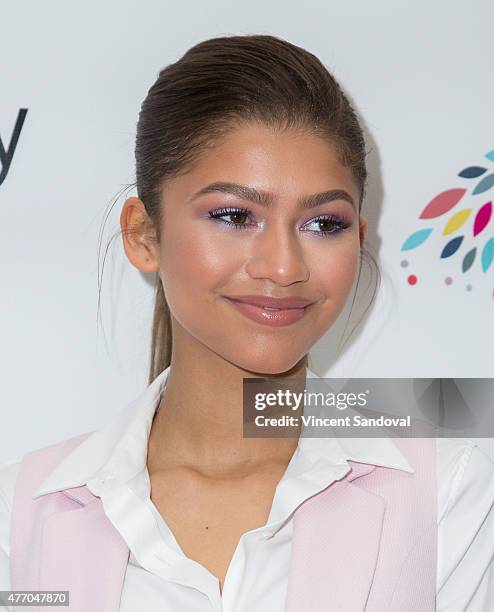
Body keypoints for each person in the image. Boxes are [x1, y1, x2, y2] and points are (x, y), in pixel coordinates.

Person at [1, 34, 494, 612]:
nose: (283, 266)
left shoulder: (446, 490)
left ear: (359, 242)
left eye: (324, 224)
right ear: (143, 234)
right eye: (235, 215)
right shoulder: (22, 512)